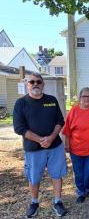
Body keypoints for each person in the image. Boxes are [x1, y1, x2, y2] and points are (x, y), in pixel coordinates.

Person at [13, 73, 67, 218]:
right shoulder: (21, 103)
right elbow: (19, 128)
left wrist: (51, 138)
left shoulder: (52, 100)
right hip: (33, 150)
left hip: (55, 147)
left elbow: (60, 121)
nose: (35, 84)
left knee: (57, 175)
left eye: (38, 81)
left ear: (43, 84)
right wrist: (40, 140)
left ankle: (57, 201)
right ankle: (34, 202)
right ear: (27, 84)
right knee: (34, 177)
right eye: (32, 82)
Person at [62, 87, 89, 203]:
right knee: (79, 172)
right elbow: (67, 130)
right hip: (76, 148)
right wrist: (66, 144)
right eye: (84, 96)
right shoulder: (74, 111)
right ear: (79, 98)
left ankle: (88, 188)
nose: (86, 99)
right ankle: (81, 191)